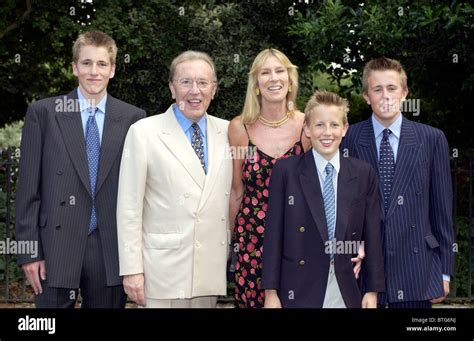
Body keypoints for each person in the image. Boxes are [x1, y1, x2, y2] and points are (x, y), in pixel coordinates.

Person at [15, 31, 146, 308]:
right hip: (54, 247)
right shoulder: (44, 113)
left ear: (112, 70)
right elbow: (28, 189)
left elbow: (140, 192)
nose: (93, 72)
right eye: (86, 63)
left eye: (101, 64)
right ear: (74, 67)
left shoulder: (134, 118)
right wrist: (29, 253)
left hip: (108, 247)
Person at [116, 51, 232, 308]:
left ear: (213, 89)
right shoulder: (144, 132)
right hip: (162, 272)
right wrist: (132, 270)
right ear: (172, 88)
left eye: (203, 83)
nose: (195, 91)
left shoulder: (229, 132)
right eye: (185, 82)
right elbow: (128, 208)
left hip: (208, 270)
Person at [341, 57, 455, 308]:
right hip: (363, 272)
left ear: (404, 93)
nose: (385, 96)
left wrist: (444, 272)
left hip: (418, 272)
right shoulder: (347, 138)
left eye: (392, 88)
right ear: (366, 96)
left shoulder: (432, 139)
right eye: (377, 89)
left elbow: (442, 211)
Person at [262, 90, 385, 308]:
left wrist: (373, 291)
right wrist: (271, 293)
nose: (327, 132)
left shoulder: (363, 173)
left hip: (345, 285)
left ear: (345, 128)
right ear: (307, 129)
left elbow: (372, 234)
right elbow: (273, 236)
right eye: (319, 125)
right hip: (297, 287)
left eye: (334, 125)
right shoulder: (286, 171)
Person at [228, 48, 310, 308]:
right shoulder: (239, 128)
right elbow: (236, 190)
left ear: (290, 79)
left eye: (279, 71)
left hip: (298, 240)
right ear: (256, 84)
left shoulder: (307, 126)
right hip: (251, 243)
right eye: (265, 72)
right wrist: (231, 244)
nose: (273, 78)